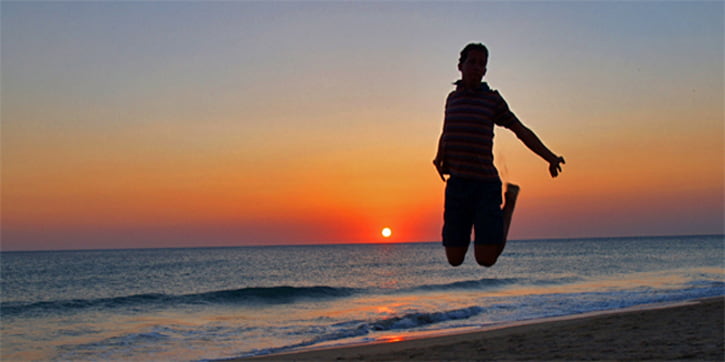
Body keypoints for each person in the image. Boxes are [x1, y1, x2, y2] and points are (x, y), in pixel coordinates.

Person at [433, 43, 565, 267]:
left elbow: (520, 130)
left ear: (485, 71)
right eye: (472, 62)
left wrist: (550, 157)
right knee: (454, 259)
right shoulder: (451, 99)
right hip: (457, 186)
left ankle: (509, 203)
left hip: (484, 186)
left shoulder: (492, 100)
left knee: (486, 259)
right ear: (460, 66)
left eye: (482, 64)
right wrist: (439, 157)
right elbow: (447, 131)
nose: (476, 67)